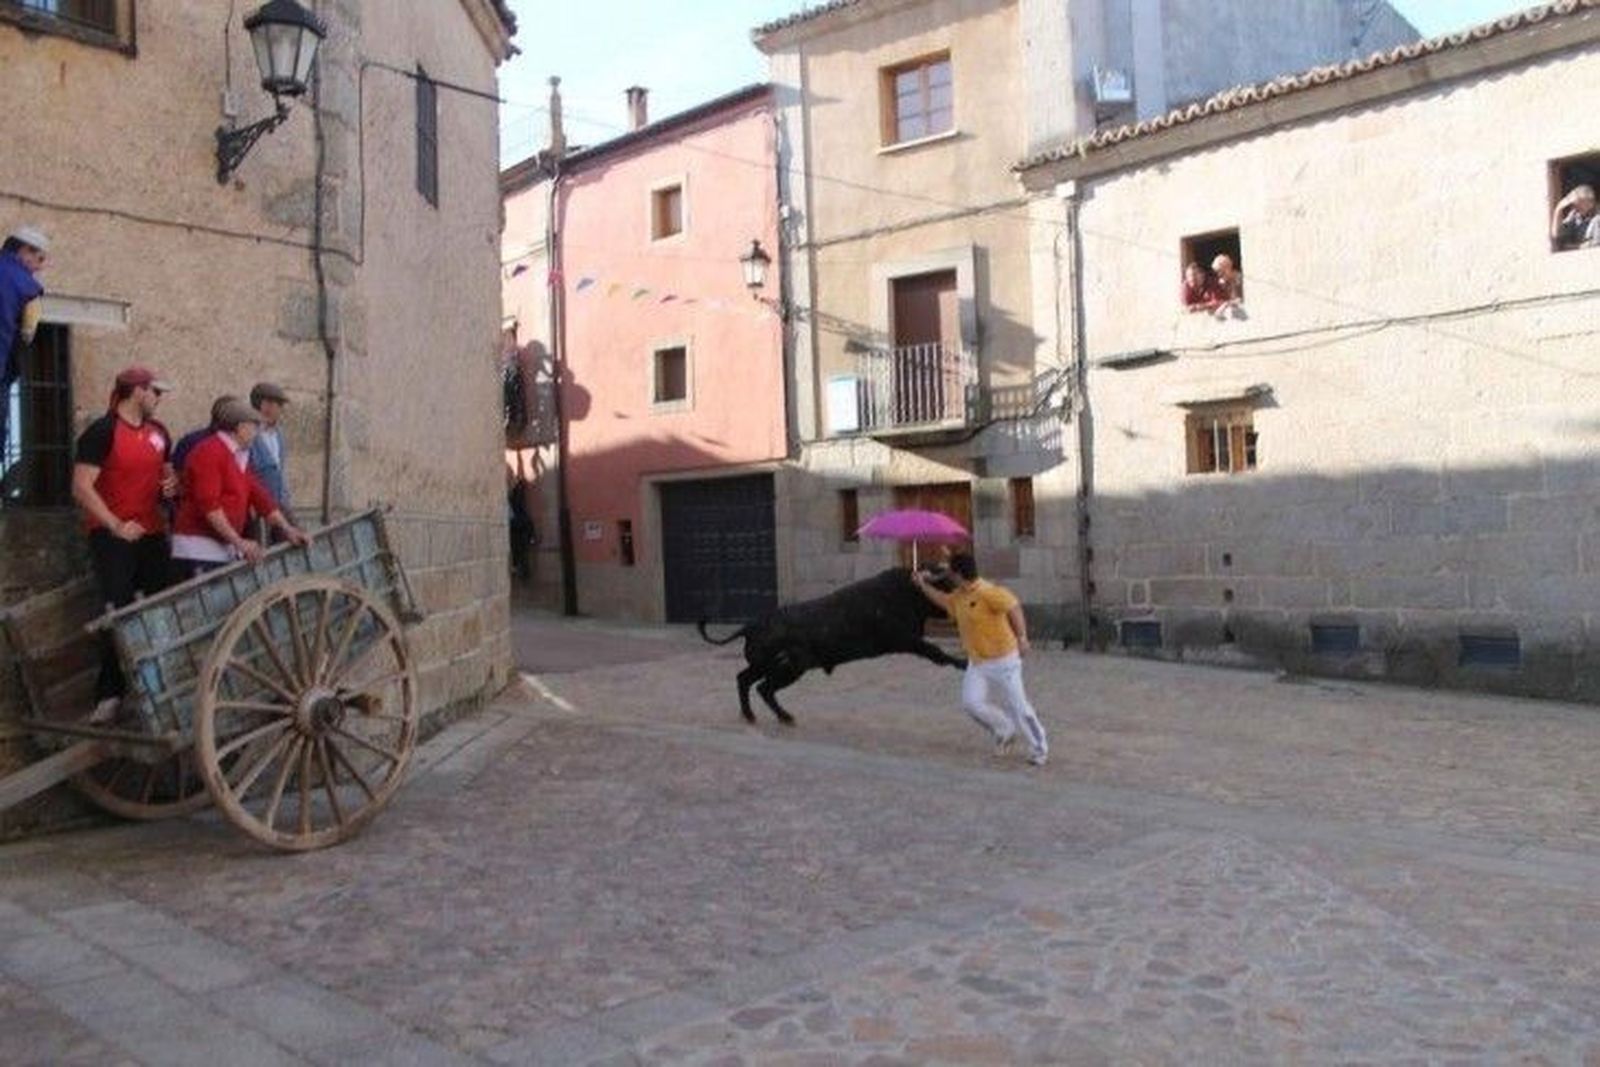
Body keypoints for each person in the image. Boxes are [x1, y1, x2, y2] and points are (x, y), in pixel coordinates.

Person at [71, 365, 178, 718]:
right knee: (115, 611)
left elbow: (166, 475)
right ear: (137, 391)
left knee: (162, 606)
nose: (159, 399)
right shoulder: (102, 433)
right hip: (112, 537)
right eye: (155, 392)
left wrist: (170, 487)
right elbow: (81, 487)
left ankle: (163, 684)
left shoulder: (159, 433)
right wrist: (115, 524)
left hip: (152, 533)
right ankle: (109, 693)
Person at [912, 551, 1049, 767]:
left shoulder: (988, 592)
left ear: (959, 574)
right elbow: (943, 600)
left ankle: (1039, 749)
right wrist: (923, 584)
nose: (949, 575)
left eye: (951, 572)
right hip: (978, 662)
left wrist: (1022, 638)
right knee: (971, 703)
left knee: (1019, 707)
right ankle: (1004, 729)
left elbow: (1013, 606)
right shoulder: (959, 595)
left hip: (1004, 660)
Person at [171, 399, 307, 579]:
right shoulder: (209, 452)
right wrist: (239, 542)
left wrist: (287, 528)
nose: (257, 432)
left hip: (222, 547)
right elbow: (210, 507)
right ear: (240, 427)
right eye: (254, 426)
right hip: (198, 549)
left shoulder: (240, 455)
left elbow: (261, 498)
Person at [0, 225, 48, 455]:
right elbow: (28, 333)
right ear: (24, 251)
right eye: (39, 258)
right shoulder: (26, 287)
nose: (39, 267)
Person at [247, 381, 292, 542]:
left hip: (280, 505)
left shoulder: (279, 434)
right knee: (261, 550)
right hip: (257, 509)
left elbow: (280, 470)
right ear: (264, 405)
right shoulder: (248, 433)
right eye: (277, 404)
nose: (280, 409)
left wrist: (285, 501)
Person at [1551, 184, 1599, 251]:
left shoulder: (1597, 218)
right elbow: (1557, 237)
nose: (1575, 208)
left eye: (1579, 204)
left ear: (1590, 202)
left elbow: (1595, 245)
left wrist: (1571, 247)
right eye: (1574, 205)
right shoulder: (1575, 215)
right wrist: (1558, 210)